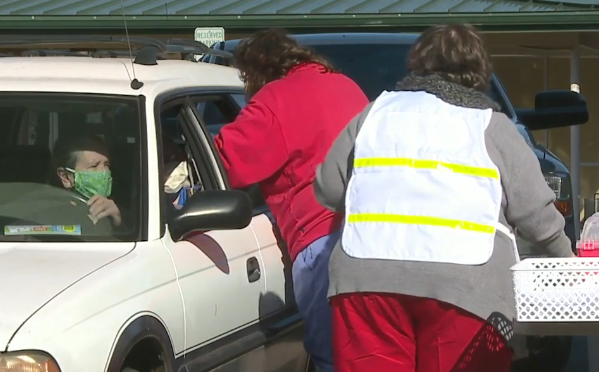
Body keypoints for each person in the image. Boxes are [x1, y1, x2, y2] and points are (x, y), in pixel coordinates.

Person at [313, 24, 575, 372]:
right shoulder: (490, 125)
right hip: (465, 286)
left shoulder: (375, 114)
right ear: (478, 74)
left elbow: (328, 188)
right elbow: (537, 217)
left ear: (417, 64)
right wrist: (570, 267)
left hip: (366, 278)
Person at [213, 28, 369, 372]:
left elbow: (226, 164)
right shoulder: (347, 86)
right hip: (375, 238)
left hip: (321, 245)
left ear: (257, 71)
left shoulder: (275, 100)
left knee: (333, 358)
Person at [52, 134, 122, 226]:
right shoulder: (51, 218)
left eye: (106, 164)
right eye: (94, 166)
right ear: (66, 177)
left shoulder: (114, 211)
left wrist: (118, 222)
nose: (104, 172)